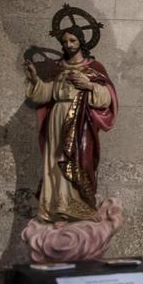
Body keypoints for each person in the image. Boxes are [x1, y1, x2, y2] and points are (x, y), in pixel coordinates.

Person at [23, 26, 117, 222]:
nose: (68, 44)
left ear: (81, 41)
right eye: (65, 41)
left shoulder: (94, 67)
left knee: (81, 159)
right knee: (55, 161)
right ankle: (57, 205)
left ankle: (80, 205)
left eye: (73, 40)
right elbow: (46, 93)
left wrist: (89, 85)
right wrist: (34, 79)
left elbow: (107, 98)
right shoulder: (58, 68)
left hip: (81, 120)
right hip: (57, 118)